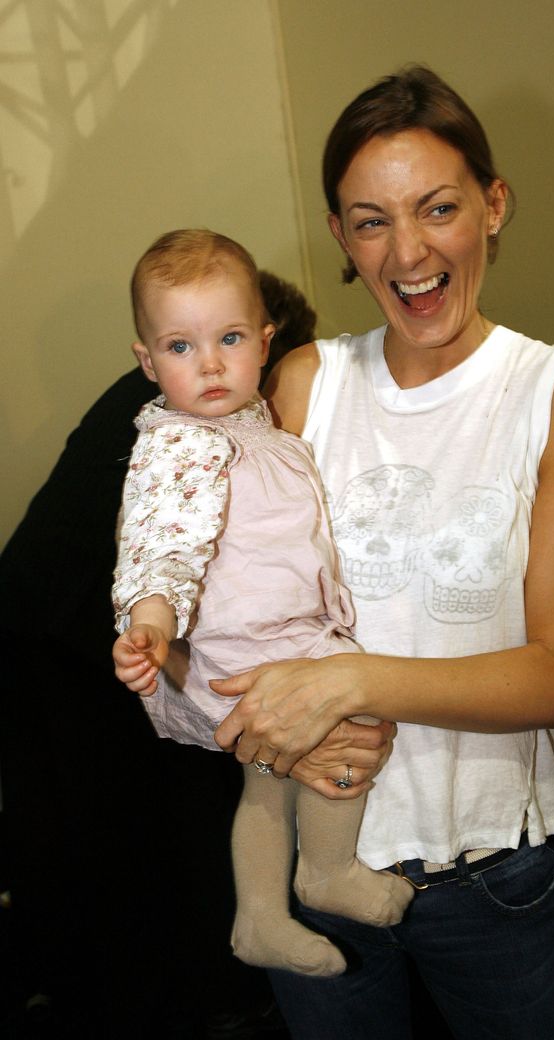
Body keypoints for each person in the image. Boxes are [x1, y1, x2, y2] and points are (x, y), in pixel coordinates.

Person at [209, 66, 554, 1040]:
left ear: (492, 204)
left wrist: (346, 679)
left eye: (437, 208)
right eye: (370, 220)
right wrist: (263, 712)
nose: (409, 252)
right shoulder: (308, 381)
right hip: (317, 857)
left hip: (488, 874)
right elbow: (235, 608)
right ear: (341, 236)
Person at [112, 229, 412, 978]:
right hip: (247, 645)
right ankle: (328, 871)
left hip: (274, 633)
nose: (209, 363)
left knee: (267, 783)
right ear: (147, 362)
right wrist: (149, 625)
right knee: (359, 702)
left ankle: (260, 917)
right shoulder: (179, 446)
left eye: (230, 338)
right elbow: (160, 544)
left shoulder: (257, 428)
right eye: (180, 347)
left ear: (264, 342)